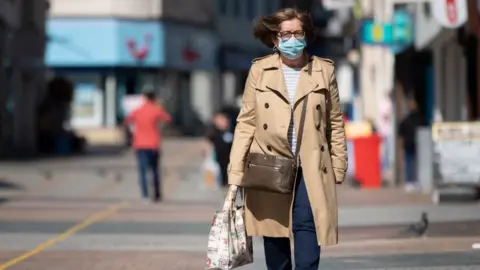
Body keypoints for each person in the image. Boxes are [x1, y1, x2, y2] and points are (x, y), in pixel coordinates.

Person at [227, 8, 347, 270]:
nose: (292, 39)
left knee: (307, 223)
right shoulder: (260, 70)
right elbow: (246, 122)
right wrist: (236, 171)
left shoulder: (323, 71)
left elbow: (335, 122)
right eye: (285, 34)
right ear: (275, 39)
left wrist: (339, 164)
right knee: (274, 232)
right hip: (270, 163)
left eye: (297, 32)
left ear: (306, 35)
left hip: (310, 164)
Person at [124, 87, 171, 202]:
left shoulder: (138, 110)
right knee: (155, 170)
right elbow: (168, 119)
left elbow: (127, 121)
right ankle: (157, 194)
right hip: (153, 144)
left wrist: (132, 132)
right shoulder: (155, 109)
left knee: (143, 170)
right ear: (154, 98)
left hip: (140, 144)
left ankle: (145, 195)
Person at [398, 98, 424, 192]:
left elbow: (400, 132)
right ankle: (412, 181)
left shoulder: (407, 119)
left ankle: (410, 182)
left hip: (410, 143)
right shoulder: (418, 119)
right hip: (414, 143)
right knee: (413, 162)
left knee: (410, 163)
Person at [206, 112, 234, 187]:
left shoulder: (232, 131)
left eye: (225, 120)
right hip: (220, 156)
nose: (224, 122)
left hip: (230, 156)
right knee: (221, 170)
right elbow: (210, 142)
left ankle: (228, 183)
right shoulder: (214, 132)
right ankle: (222, 182)